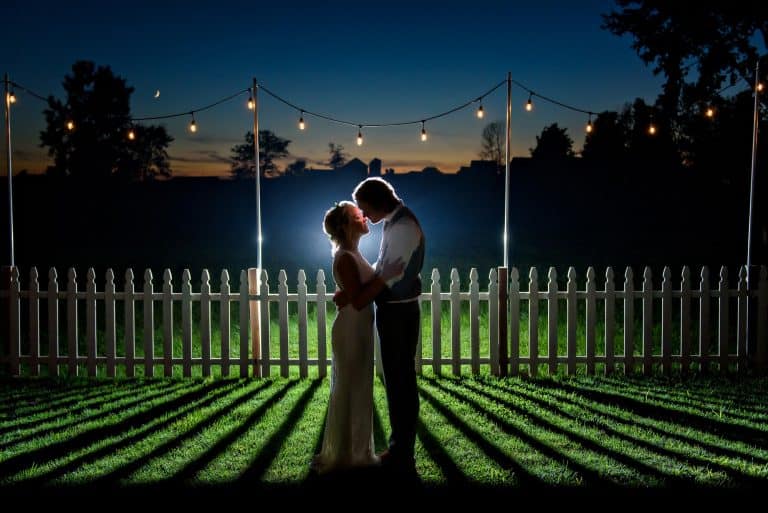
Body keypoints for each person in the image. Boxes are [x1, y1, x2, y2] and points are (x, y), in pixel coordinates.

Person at [337, 177, 425, 477]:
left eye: (365, 208)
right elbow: (382, 267)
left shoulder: (402, 226)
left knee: (401, 383)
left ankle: (402, 453)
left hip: (400, 314)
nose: (366, 217)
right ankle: (400, 448)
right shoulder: (394, 222)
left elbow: (389, 276)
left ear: (378, 202)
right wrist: (351, 290)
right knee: (396, 382)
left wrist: (359, 295)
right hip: (394, 312)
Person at [312, 201, 404, 475]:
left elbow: (357, 290)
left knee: (360, 388)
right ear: (346, 225)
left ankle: (358, 451)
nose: (364, 216)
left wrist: (378, 275)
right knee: (350, 389)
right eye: (357, 215)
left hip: (359, 329)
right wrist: (385, 276)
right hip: (351, 331)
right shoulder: (344, 256)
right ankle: (346, 455)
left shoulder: (353, 253)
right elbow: (361, 300)